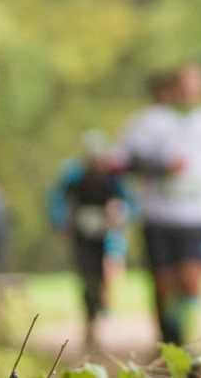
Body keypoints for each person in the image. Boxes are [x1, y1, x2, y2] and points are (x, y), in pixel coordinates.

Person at [117, 64, 201, 345]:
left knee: (193, 278)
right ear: (173, 86)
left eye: (196, 84)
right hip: (159, 215)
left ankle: (192, 347)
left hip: (198, 215)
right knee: (164, 283)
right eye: (184, 84)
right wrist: (161, 168)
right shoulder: (146, 122)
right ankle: (169, 342)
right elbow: (124, 163)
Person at [48, 130, 135, 347]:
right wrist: (62, 223)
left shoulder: (113, 179)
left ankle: (101, 309)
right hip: (82, 236)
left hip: (107, 237)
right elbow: (56, 200)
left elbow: (130, 204)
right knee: (87, 278)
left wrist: (119, 215)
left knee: (106, 275)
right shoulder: (74, 176)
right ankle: (90, 321)